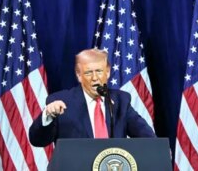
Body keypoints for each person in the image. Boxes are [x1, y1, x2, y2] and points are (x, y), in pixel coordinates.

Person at [28, 47, 156, 147]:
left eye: (99, 71)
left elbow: (147, 138)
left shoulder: (121, 100)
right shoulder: (60, 101)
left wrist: (157, 150)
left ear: (107, 72)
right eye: (89, 72)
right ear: (79, 76)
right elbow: (37, 140)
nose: (95, 78)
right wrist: (48, 116)